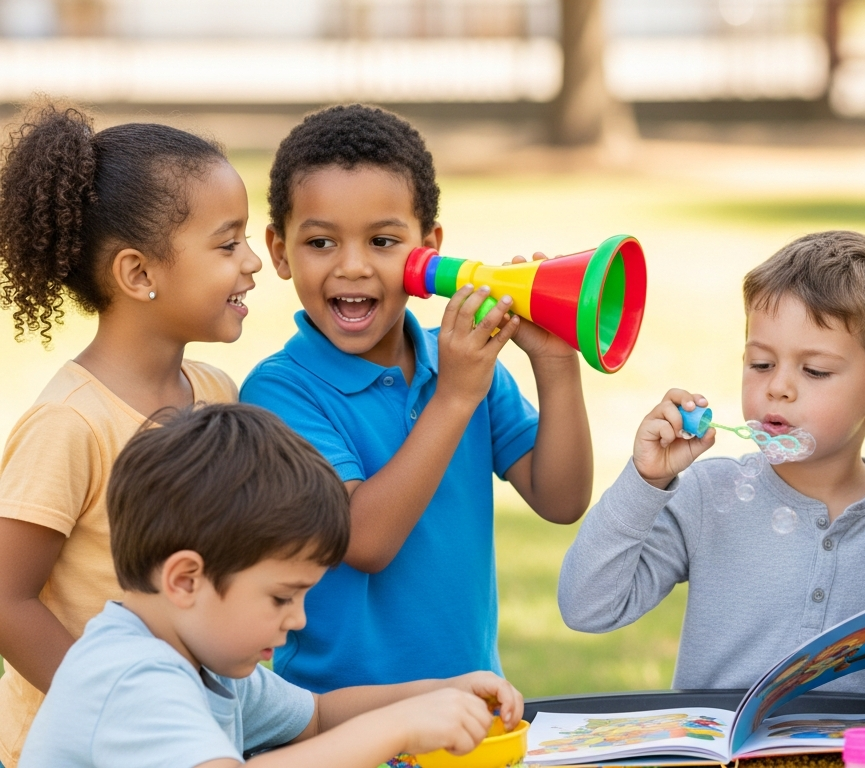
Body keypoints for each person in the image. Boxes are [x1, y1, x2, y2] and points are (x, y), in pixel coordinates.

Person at [241, 104, 592, 693]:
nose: (352, 267)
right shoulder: (280, 392)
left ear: (427, 251)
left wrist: (555, 364)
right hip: (339, 722)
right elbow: (363, 541)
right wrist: (454, 397)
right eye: (321, 241)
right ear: (280, 251)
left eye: (383, 240)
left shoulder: (459, 364)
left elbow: (562, 499)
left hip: (472, 704)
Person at [559, 231, 865, 702]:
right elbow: (587, 607)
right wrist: (645, 482)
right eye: (760, 364)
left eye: (814, 371)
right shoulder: (705, 495)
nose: (778, 387)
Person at [19, 403, 524, 768]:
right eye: (283, 597)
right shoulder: (133, 676)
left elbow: (319, 716)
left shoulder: (204, 656)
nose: (298, 618)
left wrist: (438, 691)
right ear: (185, 580)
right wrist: (398, 727)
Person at [0, 103, 261, 766]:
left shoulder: (215, 394)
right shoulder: (71, 424)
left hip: (189, 737)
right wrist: (112, 705)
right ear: (139, 274)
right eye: (228, 244)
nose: (253, 261)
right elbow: (7, 598)